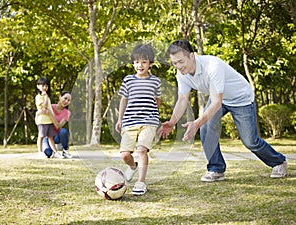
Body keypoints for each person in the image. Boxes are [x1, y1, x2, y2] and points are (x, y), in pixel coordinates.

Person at [158, 39, 287, 182]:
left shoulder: (212, 66)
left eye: (181, 62)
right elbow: (182, 99)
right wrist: (172, 121)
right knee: (206, 129)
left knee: (250, 141)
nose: (178, 66)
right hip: (220, 98)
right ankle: (216, 169)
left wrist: (197, 122)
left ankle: (279, 162)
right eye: (174, 63)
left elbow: (216, 103)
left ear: (192, 56)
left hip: (240, 99)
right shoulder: (182, 74)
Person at [115, 44, 161, 195]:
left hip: (149, 121)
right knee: (125, 155)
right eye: (136, 62)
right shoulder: (128, 80)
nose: (139, 65)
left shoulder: (155, 81)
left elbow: (157, 100)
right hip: (130, 122)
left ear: (150, 64)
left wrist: (154, 115)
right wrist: (120, 119)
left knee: (142, 150)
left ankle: (141, 182)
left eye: (144, 62)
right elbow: (124, 100)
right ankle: (133, 166)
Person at [35, 77, 62, 159]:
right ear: (38, 86)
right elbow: (44, 106)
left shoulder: (48, 97)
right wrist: (45, 97)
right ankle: (40, 152)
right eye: (43, 85)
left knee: (51, 137)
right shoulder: (39, 97)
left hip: (49, 121)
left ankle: (55, 152)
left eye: (46, 86)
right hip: (42, 121)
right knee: (41, 136)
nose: (45, 88)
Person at [42, 91, 72, 159]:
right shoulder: (50, 107)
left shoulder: (67, 113)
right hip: (47, 136)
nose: (66, 101)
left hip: (57, 136)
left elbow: (58, 126)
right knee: (48, 154)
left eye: (69, 100)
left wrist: (50, 115)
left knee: (63, 131)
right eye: (65, 98)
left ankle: (65, 150)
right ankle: (53, 150)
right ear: (60, 97)